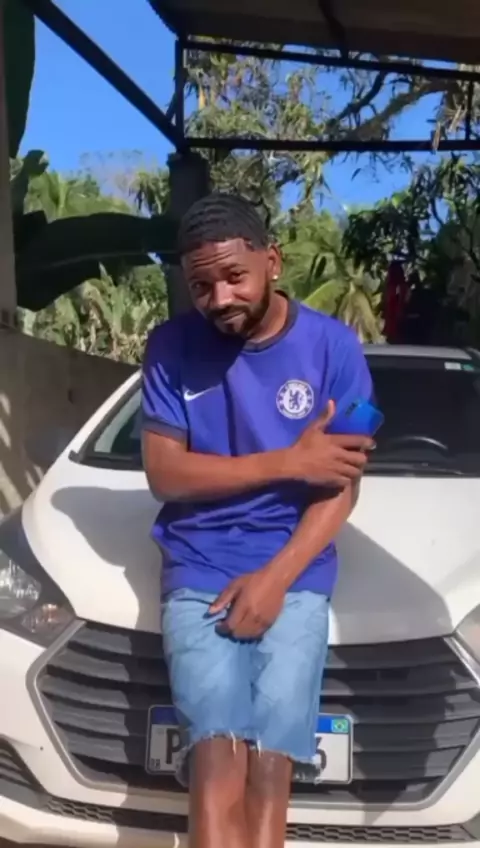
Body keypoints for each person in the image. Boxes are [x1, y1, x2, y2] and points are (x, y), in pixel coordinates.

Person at [141, 193, 374, 848]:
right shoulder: (169, 347)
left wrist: (274, 579)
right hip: (199, 567)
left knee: (270, 768)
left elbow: (342, 487)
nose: (219, 298)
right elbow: (165, 474)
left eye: (234, 276)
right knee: (215, 758)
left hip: (296, 571)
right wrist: (289, 461)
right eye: (201, 286)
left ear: (272, 261)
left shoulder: (335, 348)